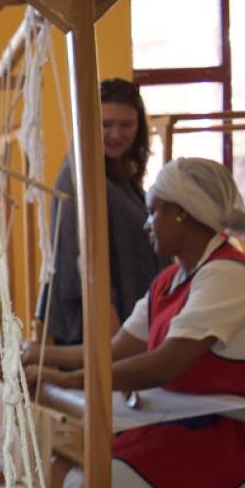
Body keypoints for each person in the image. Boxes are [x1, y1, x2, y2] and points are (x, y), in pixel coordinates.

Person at [25, 158, 245, 488]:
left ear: (181, 213)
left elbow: (166, 365)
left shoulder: (227, 277)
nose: (147, 225)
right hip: (181, 423)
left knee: (91, 487)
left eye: (153, 212)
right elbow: (114, 350)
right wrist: (36, 355)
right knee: (76, 472)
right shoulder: (171, 280)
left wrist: (71, 381)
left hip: (234, 436)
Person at [37, 78, 162, 345]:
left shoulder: (122, 175)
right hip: (99, 321)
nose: (116, 134)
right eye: (106, 124)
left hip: (130, 312)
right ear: (90, 123)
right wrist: (105, 313)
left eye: (126, 124)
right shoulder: (78, 174)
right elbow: (76, 253)